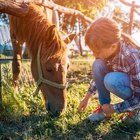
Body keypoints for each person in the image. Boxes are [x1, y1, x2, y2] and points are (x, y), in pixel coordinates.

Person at [78, 17, 140, 123]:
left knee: (110, 80)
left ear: (113, 46)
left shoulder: (131, 56)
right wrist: (87, 97)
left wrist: (114, 108)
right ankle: (104, 109)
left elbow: (139, 97)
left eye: (97, 51)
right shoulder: (106, 53)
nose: (94, 55)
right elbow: (98, 77)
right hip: (128, 84)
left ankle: (136, 110)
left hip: (137, 93)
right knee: (97, 64)